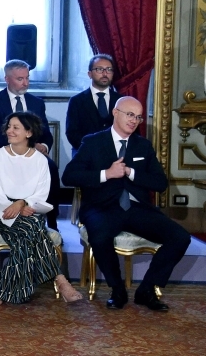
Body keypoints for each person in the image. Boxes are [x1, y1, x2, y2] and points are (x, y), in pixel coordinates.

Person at [63, 97, 191, 311]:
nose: (134, 120)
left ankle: (146, 290)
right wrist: (107, 174)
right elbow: (69, 176)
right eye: (130, 114)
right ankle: (117, 289)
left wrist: (131, 173)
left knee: (180, 237)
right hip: (101, 207)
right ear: (115, 113)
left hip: (136, 208)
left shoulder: (142, 145)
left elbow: (160, 183)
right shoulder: (93, 142)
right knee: (100, 235)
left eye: (138, 116)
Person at [0, 112, 82, 305]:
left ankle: (2, 288)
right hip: (1, 211)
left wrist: (23, 203)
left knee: (28, 231)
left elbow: (41, 192)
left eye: (15, 128)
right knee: (33, 230)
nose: (9, 131)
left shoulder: (40, 160)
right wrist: (14, 206)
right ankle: (60, 279)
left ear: (28, 133)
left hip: (30, 209)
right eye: (9, 126)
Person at [0, 59, 60, 230]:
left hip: (33, 152)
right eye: (20, 79)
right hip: (4, 151)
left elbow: (46, 133)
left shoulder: (36, 102)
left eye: (27, 78)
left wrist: (44, 147)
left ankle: (51, 219)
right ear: (7, 79)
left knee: (51, 167)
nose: (25, 82)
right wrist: (24, 146)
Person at [66, 54, 121, 153]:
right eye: (99, 69)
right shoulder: (77, 101)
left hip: (116, 152)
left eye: (109, 69)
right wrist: (92, 150)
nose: (105, 73)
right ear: (89, 74)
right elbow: (72, 133)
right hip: (85, 152)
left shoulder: (121, 100)